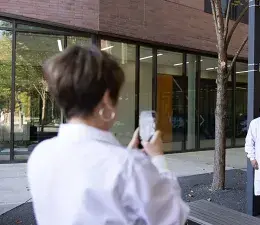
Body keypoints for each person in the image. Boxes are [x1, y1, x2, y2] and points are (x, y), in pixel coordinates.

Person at [27, 45, 189, 225]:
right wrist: (158, 159)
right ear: (106, 100)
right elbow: (174, 218)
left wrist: (125, 154)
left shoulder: (40, 154)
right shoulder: (127, 166)